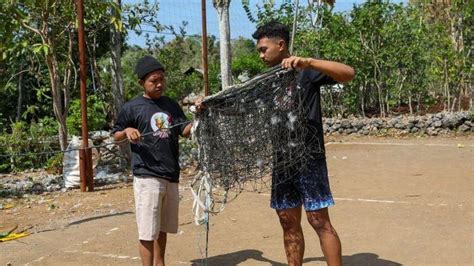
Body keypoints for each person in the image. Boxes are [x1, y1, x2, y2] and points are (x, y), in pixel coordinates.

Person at [252, 21, 355, 266]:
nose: (261, 55)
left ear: (281, 45)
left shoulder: (306, 71)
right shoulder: (266, 79)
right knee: (287, 221)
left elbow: (348, 73)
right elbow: (237, 105)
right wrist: (206, 105)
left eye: (264, 49)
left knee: (319, 221)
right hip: (282, 162)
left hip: (309, 159)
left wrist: (308, 61)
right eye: (259, 50)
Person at [112, 55, 196, 266]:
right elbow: (116, 135)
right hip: (147, 175)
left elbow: (184, 131)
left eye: (162, 80)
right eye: (153, 81)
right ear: (142, 83)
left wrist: (199, 119)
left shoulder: (170, 105)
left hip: (171, 174)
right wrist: (128, 130)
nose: (159, 84)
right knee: (148, 231)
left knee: (162, 228)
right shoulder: (132, 107)